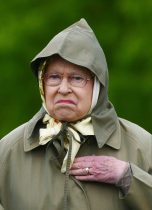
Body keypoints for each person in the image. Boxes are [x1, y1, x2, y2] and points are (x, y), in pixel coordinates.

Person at [0, 18, 152, 210]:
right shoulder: (8, 151)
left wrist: (128, 177)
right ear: (42, 84)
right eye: (54, 77)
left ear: (98, 86)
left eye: (77, 78)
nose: (63, 88)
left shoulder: (142, 147)